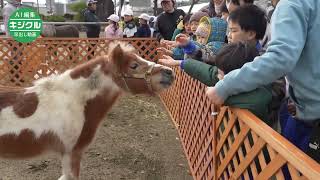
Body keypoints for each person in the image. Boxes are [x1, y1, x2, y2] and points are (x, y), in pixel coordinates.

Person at [206, 0, 320, 163]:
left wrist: (224, 87)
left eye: (232, 30)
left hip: (311, 118)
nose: (228, 35)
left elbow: (280, 59)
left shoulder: (292, 4)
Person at [160, 42, 273, 124]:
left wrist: (217, 93)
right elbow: (210, 72)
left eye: (221, 74)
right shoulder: (238, 80)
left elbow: (247, 101)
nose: (218, 77)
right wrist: (180, 63)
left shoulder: (257, 98)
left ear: (238, 75)